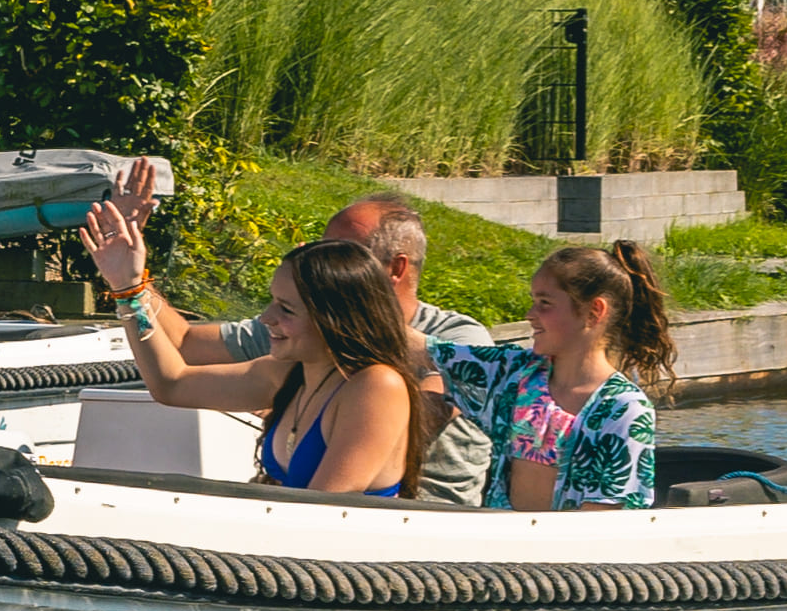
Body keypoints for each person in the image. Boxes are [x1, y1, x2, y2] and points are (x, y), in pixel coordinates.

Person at [114, 213, 429, 495]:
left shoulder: (376, 386)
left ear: (335, 318)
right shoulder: (288, 373)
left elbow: (325, 513)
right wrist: (127, 289)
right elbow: (171, 384)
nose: (266, 317)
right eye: (273, 301)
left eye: (287, 309)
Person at [428, 237, 671, 510]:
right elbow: (427, 351)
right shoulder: (516, 373)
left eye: (544, 303)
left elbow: (605, 521)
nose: (530, 314)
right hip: (500, 544)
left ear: (594, 311)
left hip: (567, 550)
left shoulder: (624, 409)